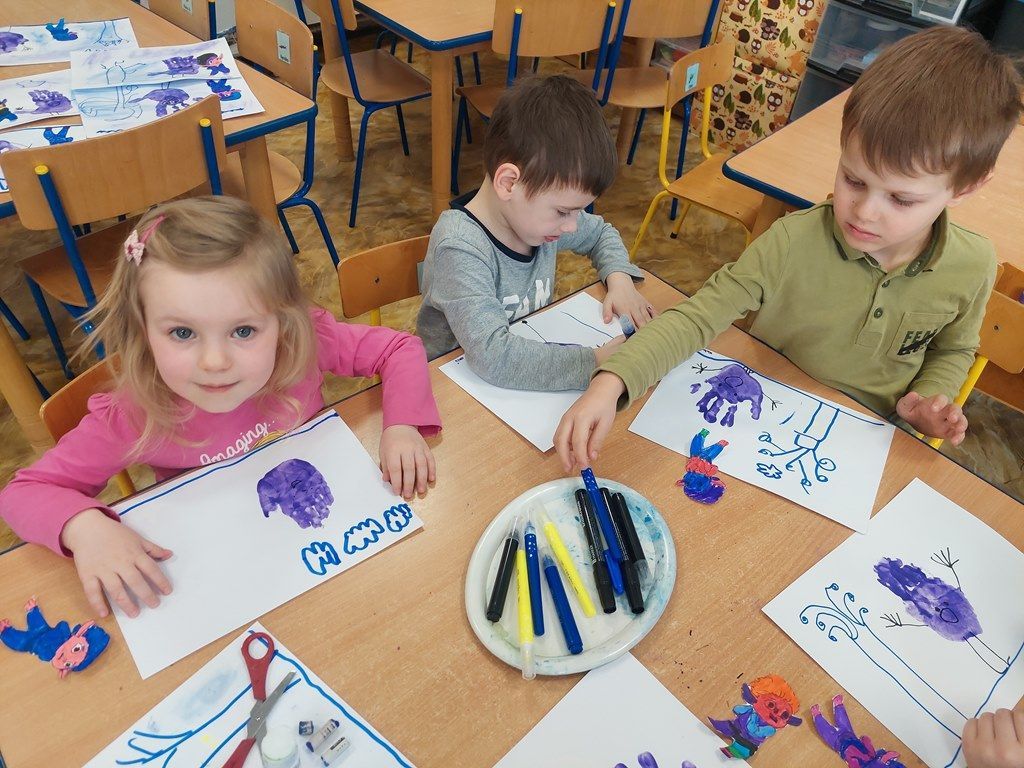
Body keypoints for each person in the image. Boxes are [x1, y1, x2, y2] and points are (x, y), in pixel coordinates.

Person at [554, 27, 1023, 469]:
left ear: (965, 189)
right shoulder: (791, 240)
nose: (864, 212)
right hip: (761, 421)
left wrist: (930, 399)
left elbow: (953, 349)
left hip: (867, 444)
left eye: (901, 199)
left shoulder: (974, 264)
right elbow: (697, 318)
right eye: (853, 179)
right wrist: (613, 380)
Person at [0, 196, 441, 618]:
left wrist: (401, 425)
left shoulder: (303, 342)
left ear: (282, 321)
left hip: (334, 548)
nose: (215, 362)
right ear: (142, 331)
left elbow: (399, 348)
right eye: (182, 333)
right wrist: (83, 527)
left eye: (243, 331)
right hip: (233, 578)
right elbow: (23, 493)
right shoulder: (133, 415)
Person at [417, 74, 650, 390]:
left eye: (578, 210)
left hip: (522, 380)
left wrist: (619, 280)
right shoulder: (460, 247)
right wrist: (596, 361)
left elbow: (600, 234)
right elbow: (492, 356)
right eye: (563, 211)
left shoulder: (539, 221)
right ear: (509, 183)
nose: (572, 225)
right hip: (453, 391)